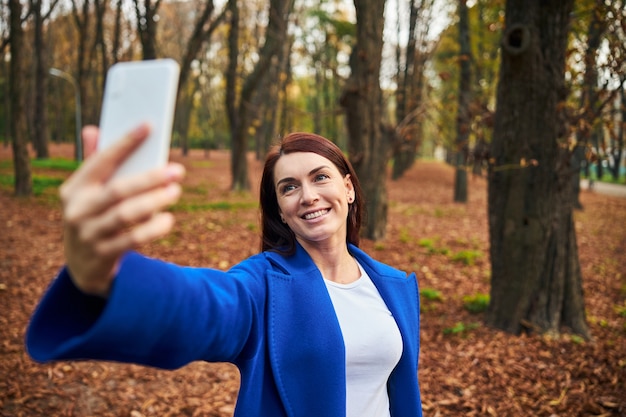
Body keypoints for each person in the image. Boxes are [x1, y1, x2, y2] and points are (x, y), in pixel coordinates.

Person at [26, 125, 423, 417]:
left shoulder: (394, 286)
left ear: (348, 189)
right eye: (289, 187)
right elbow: (203, 307)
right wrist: (107, 278)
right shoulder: (262, 287)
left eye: (320, 177)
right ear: (281, 213)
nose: (308, 196)